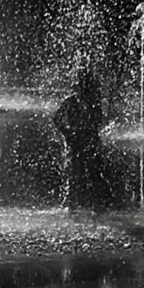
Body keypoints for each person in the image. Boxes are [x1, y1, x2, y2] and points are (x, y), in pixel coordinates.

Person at [52, 67, 111, 209]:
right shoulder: (71, 101)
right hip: (77, 141)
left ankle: (90, 203)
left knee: (89, 172)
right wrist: (67, 133)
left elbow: (98, 122)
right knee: (75, 172)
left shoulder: (93, 103)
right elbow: (56, 119)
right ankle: (71, 204)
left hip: (87, 141)